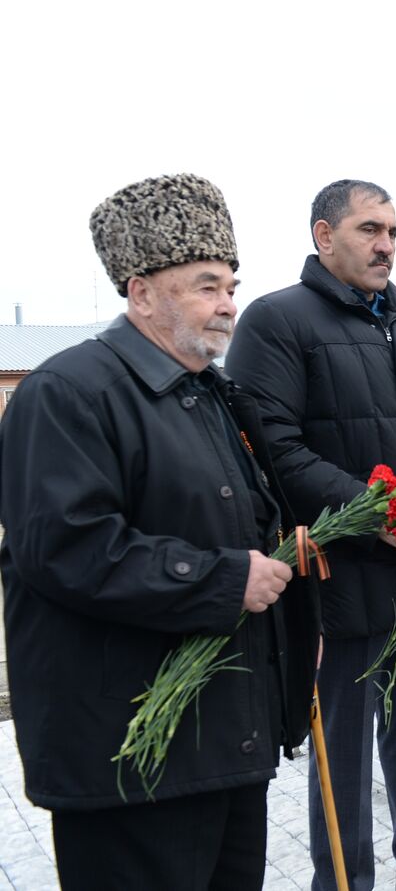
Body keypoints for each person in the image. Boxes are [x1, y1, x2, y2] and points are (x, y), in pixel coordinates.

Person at [0, 174, 319, 889]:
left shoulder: (212, 394)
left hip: (225, 744)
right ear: (140, 292)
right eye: (206, 285)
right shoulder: (68, 393)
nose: (229, 304)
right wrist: (225, 579)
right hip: (131, 761)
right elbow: (65, 549)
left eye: (232, 284)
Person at [225, 180, 396, 891]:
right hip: (337, 582)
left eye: (393, 232)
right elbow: (274, 448)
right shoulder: (276, 320)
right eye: (369, 230)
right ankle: (346, 882)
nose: (385, 245)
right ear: (324, 236)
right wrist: (382, 515)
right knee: (340, 755)